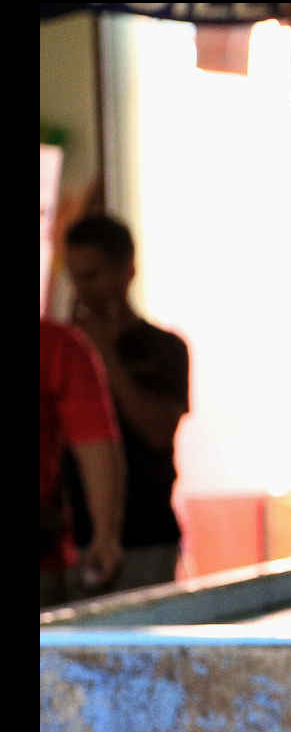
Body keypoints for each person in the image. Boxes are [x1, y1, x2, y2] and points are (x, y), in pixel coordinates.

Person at [63, 215, 188, 593]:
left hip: (146, 535)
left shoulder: (164, 348)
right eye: (76, 277)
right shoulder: (61, 354)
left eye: (94, 276)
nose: (83, 290)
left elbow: (158, 432)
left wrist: (101, 356)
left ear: (128, 271)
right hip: (71, 541)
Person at [39, 317, 124, 609]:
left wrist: (104, 535)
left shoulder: (56, 345)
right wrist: (105, 535)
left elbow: (95, 441)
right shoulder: (57, 344)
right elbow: (95, 440)